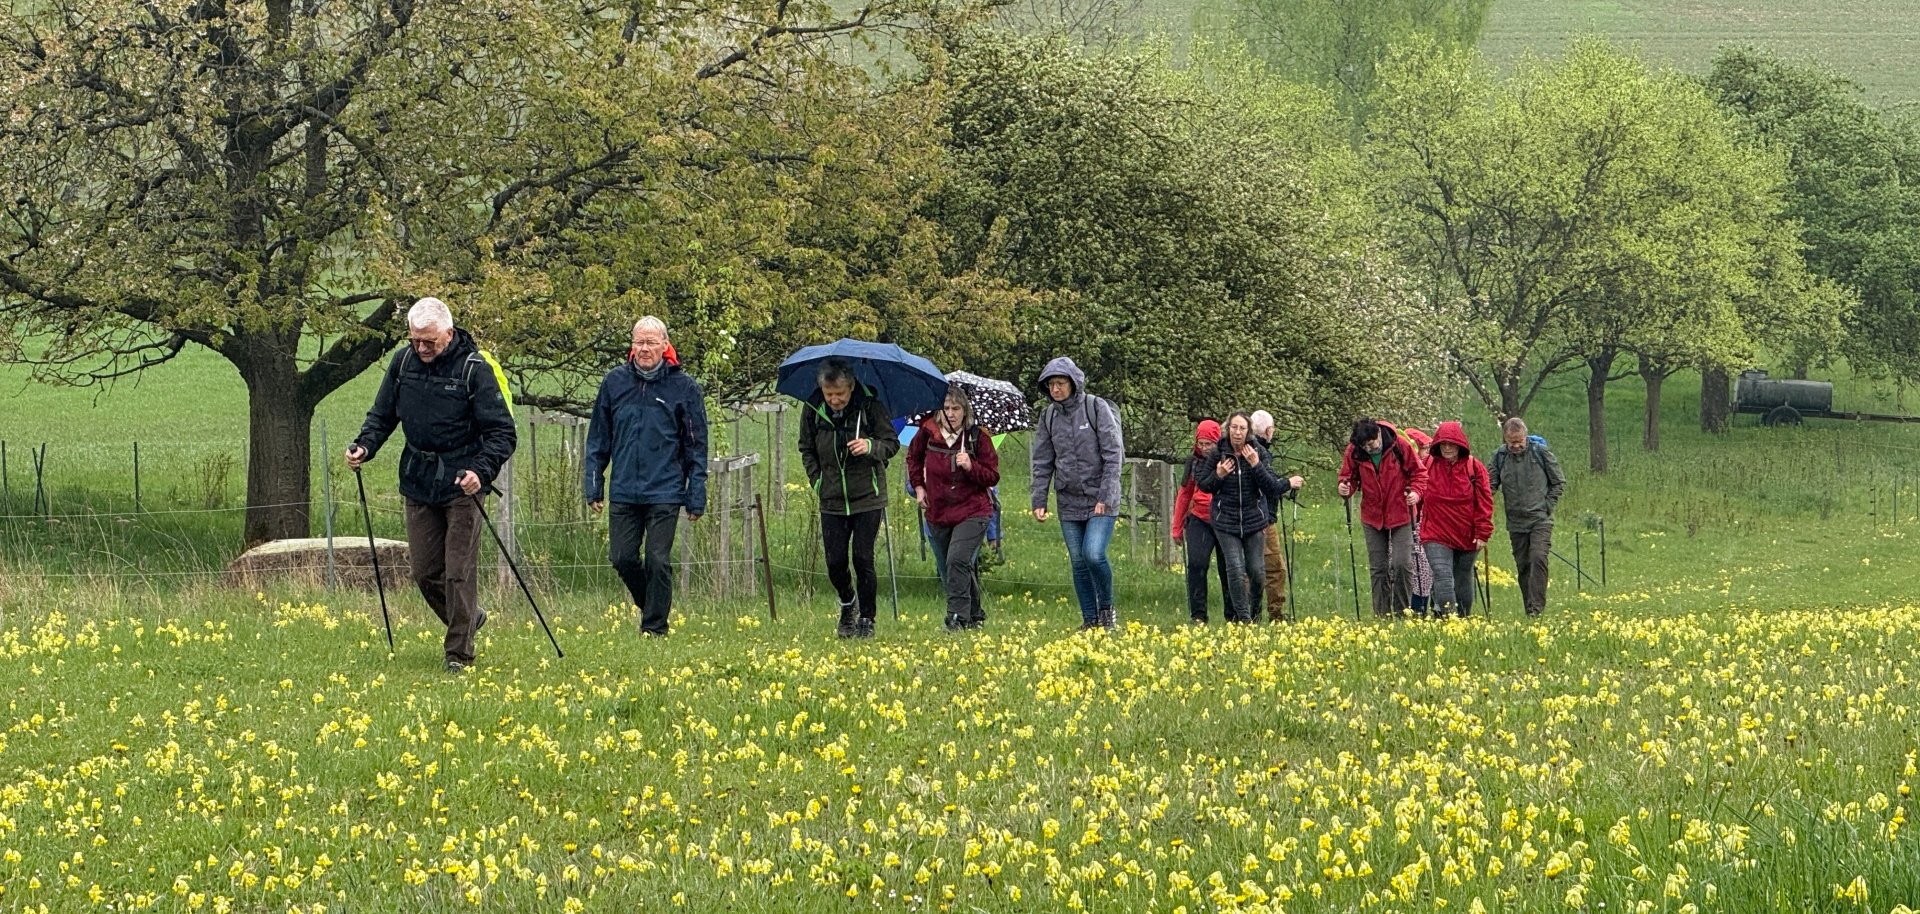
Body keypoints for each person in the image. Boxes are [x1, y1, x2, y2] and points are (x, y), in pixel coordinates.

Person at [347, 297, 517, 672]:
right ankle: (470, 618)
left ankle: (458, 653)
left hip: (463, 483)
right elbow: (382, 415)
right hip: (418, 480)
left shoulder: (474, 370)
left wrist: (481, 471)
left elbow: (503, 433)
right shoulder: (403, 363)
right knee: (425, 572)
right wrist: (365, 445)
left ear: (449, 334)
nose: (421, 348)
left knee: (458, 570)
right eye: (415, 340)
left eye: (429, 342)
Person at [584, 316, 709, 638]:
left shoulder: (684, 387)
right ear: (632, 345)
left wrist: (696, 495)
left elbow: (696, 446)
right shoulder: (614, 383)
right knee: (621, 558)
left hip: (665, 490)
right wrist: (593, 485)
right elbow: (598, 438)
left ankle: (655, 628)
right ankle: (651, 604)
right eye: (638, 342)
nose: (644, 349)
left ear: (665, 346)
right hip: (624, 489)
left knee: (657, 559)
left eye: (651, 342)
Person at [800, 358, 900, 638]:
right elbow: (806, 448)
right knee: (835, 563)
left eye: (840, 394)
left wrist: (870, 445)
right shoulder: (813, 409)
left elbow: (891, 444)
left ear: (851, 387)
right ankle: (848, 603)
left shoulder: (870, 407)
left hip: (867, 495)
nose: (834, 400)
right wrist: (817, 480)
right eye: (829, 394)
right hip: (830, 497)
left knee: (863, 558)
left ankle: (867, 619)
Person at [1030, 357, 1125, 631]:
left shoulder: (1096, 408)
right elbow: (1042, 460)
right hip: (1068, 499)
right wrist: (1039, 499)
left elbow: (1112, 454)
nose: (1055, 389)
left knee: (1094, 554)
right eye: (1050, 385)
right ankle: (1089, 620)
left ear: (1073, 383)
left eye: (1060, 383)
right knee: (1079, 561)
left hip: (1101, 498)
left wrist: (1104, 497)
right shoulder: (1048, 417)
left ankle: (1107, 611)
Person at [908, 386, 1001, 631]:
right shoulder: (927, 432)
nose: (950, 413)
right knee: (949, 565)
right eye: (946, 408)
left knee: (958, 560)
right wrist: (918, 487)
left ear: (965, 410)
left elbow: (992, 476)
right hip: (937, 510)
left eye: (956, 408)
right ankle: (975, 615)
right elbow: (913, 459)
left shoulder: (978, 437)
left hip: (973, 510)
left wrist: (971, 466)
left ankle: (956, 618)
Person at [1197, 412, 1303, 624]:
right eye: (1234, 428)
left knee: (1256, 572)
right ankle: (1243, 620)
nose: (1237, 432)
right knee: (1235, 570)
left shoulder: (1258, 452)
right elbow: (1203, 484)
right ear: (1228, 430)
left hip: (1254, 521)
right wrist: (1219, 475)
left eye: (1242, 429)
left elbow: (1271, 486)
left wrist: (1256, 465)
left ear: (1249, 432)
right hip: (1226, 522)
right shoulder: (1218, 453)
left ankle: (1255, 614)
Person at [1337, 418, 1428, 618]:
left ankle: (1402, 613)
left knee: (1402, 564)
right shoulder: (1354, 451)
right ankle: (1382, 616)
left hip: (1402, 513)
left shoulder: (1399, 444)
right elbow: (1348, 478)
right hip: (1372, 516)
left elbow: (1419, 473)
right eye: (1366, 446)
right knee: (1378, 568)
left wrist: (1416, 492)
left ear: (1378, 433)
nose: (1371, 448)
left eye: (1372, 443)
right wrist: (1345, 489)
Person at [1490, 417, 1565, 616]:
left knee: (1538, 557)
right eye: (1511, 442)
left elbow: (1559, 482)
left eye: (1519, 441)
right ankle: (1528, 607)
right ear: (1505, 439)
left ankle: (1536, 609)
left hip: (1540, 519)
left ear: (1525, 437)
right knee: (1523, 565)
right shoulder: (1499, 456)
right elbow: (1489, 485)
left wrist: (1547, 505)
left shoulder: (1540, 452)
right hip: (1515, 521)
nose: (1516, 446)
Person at [1418, 422, 1493, 619]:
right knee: (1442, 574)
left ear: (1460, 445)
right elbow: (1417, 491)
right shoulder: (1427, 465)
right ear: (1437, 445)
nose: (1448, 448)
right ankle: (1449, 619)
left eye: (1452, 444)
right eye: (1443, 444)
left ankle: (1464, 618)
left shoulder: (1474, 468)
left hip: (1466, 534)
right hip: (1435, 532)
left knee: (1462, 578)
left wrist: (1483, 532)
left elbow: (1485, 502)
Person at [1171, 419, 1231, 624]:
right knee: (1196, 564)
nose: (1204, 448)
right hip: (1198, 518)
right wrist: (1177, 528)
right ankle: (1198, 615)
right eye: (1201, 443)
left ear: (1217, 442)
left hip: (1224, 519)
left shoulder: (1227, 459)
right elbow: (1184, 495)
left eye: (1209, 444)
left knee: (1228, 568)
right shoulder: (1193, 462)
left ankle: (1232, 616)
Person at [1249, 410, 1294, 622]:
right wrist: (1287, 483)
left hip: (1248, 519)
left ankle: (1248, 614)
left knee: (1250, 567)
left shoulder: (1247, 449)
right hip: (1264, 519)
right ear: (1269, 430)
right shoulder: (1262, 453)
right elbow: (1268, 484)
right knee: (1274, 569)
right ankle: (1275, 614)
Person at [1404, 427, 1435, 617]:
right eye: (1423, 448)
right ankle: (1407, 606)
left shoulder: (1431, 465)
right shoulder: (1407, 467)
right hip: (1407, 522)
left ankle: (1420, 608)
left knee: (1423, 568)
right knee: (1408, 567)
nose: (1427, 453)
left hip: (1426, 523)